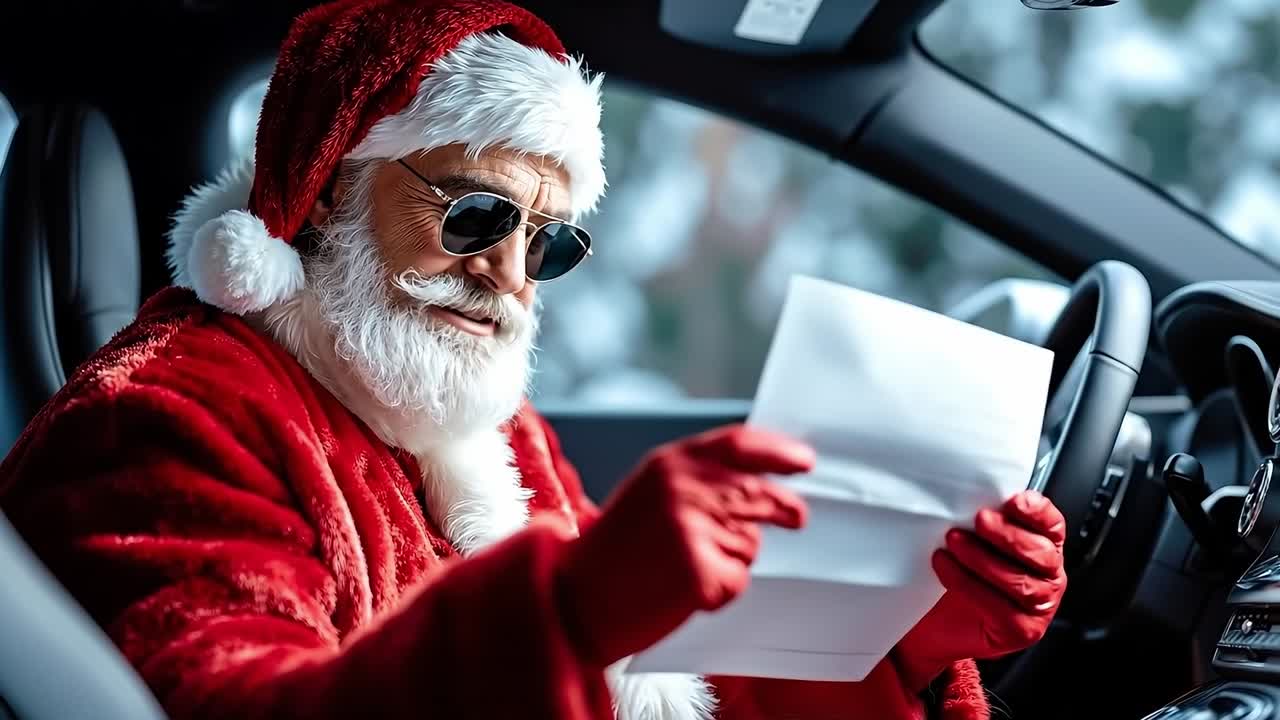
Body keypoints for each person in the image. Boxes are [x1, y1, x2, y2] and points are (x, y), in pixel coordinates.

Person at [0, 1, 1068, 718]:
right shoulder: (155, 419)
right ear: (324, 187)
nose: (511, 276)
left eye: (545, 241)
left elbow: (655, 690)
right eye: (473, 215)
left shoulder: (477, 425)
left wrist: (902, 638)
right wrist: (565, 610)